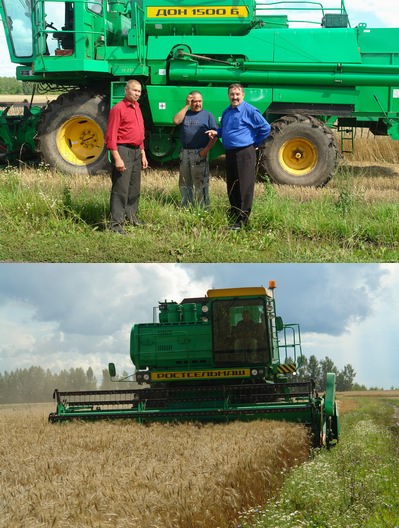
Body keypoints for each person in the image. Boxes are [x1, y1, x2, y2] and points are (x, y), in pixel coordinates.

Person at [206, 83, 271, 229]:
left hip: (245, 152)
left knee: (244, 186)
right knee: (233, 184)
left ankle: (243, 220)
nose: (234, 97)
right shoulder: (227, 112)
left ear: (243, 95)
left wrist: (256, 143)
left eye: (237, 94)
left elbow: (265, 127)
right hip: (230, 152)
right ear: (228, 95)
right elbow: (224, 129)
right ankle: (234, 212)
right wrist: (217, 133)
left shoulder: (249, 110)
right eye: (232, 94)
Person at [105, 79, 148, 234]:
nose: (137, 94)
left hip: (137, 151)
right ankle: (115, 224)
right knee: (120, 189)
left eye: (139, 91)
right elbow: (110, 136)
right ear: (126, 90)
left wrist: (143, 153)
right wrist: (117, 157)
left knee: (134, 188)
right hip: (123, 151)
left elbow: (140, 132)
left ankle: (132, 217)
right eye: (134, 90)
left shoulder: (137, 107)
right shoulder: (118, 109)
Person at [173, 91, 218, 208]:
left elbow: (215, 135)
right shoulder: (185, 114)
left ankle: (203, 209)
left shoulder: (208, 115)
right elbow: (176, 121)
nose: (197, 104)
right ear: (190, 101)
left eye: (199, 101)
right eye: (194, 101)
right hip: (185, 153)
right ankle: (186, 206)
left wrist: (206, 150)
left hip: (199, 153)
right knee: (184, 182)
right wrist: (186, 105)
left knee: (200, 182)